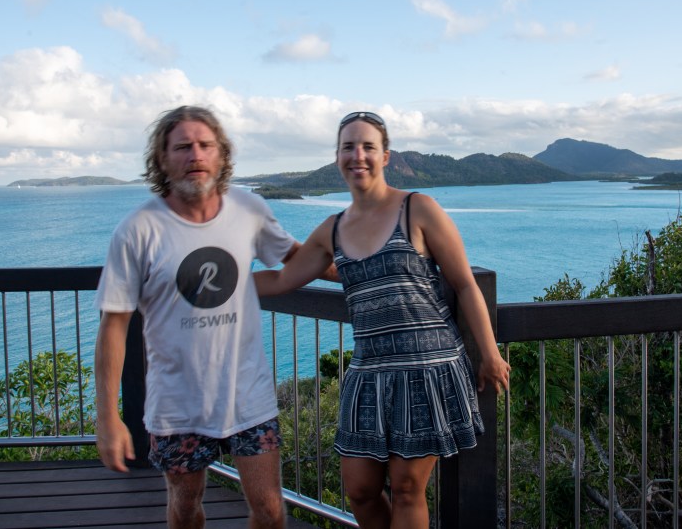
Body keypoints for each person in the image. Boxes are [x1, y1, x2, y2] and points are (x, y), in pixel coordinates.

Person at [255, 110, 511, 529]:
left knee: (408, 488)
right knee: (360, 489)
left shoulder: (418, 209)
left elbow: (465, 284)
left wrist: (489, 352)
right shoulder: (332, 230)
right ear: (337, 157)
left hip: (426, 368)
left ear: (385, 156)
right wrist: (218, 287)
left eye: (368, 147)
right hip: (368, 372)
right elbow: (284, 278)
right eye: (348, 147)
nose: (358, 155)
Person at [94, 105, 296, 529]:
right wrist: (108, 417)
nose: (195, 155)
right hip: (177, 404)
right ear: (162, 158)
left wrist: (368, 271)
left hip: (248, 396)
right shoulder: (138, 229)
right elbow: (114, 325)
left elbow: (296, 258)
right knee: (185, 510)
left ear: (222, 154)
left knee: (270, 510)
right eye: (183, 146)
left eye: (206, 145)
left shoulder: (249, 209)